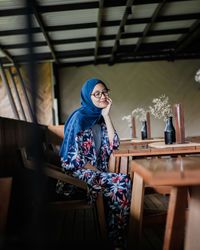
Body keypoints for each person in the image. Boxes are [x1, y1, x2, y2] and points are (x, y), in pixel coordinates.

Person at [57, 78, 131, 249]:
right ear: (87, 96)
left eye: (105, 92)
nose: (102, 96)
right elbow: (76, 160)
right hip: (75, 176)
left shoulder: (98, 118)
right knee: (122, 182)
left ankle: (115, 235)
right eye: (96, 93)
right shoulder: (80, 119)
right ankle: (118, 239)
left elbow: (114, 144)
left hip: (94, 172)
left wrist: (107, 115)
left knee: (121, 181)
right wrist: (101, 172)